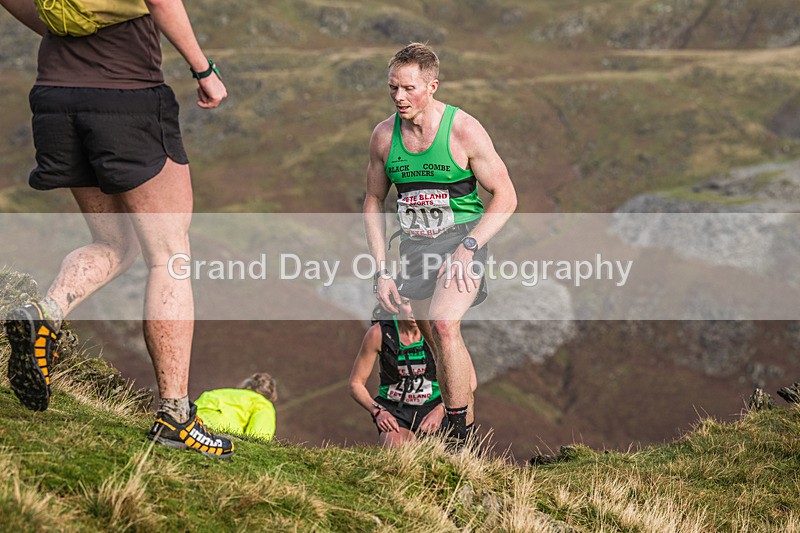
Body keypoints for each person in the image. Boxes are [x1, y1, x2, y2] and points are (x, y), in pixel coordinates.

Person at [1, 0, 233, 457]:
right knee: (170, 256)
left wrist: (60, 22)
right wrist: (204, 69)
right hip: (125, 98)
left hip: (56, 100)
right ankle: (175, 415)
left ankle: (44, 313)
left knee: (113, 242)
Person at [363, 43, 517, 446]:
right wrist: (381, 271)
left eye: (409, 88)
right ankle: (461, 428)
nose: (399, 97)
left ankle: (458, 433)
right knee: (437, 338)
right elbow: (374, 200)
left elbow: (506, 195)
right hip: (414, 249)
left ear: (431, 86)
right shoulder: (383, 137)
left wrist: (469, 246)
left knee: (445, 323)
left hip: (460, 242)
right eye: (393, 87)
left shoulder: (463, 130)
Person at [349, 300, 477, 448]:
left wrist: (442, 409)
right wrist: (378, 411)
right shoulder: (378, 333)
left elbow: (470, 381)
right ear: (394, 305)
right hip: (396, 412)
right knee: (398, 453)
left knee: (445, 458)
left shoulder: (441, 331)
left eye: (418, 303)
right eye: (406, 302)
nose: (413, 310)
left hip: (435, 408)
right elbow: (355, 384)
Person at [194, 373, 278, 440]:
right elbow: (258, 438)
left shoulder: (221, 392)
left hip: (192, 421)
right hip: (217, 431)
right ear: (270, 395)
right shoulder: (264, 404)